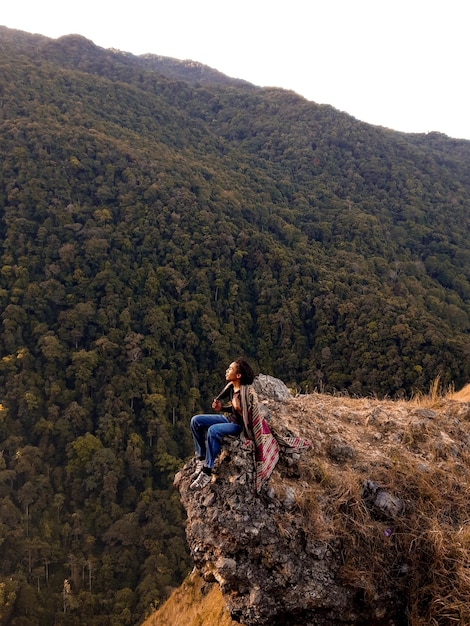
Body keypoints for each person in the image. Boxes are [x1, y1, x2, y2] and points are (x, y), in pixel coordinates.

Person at [189, 357, 256, 490]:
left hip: (238, 426)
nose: (227, 370)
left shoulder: (245, 393)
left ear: (238, 375)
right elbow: (233, 410)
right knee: (195, 421)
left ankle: (207, 471)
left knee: (213, 430)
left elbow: (248, 418)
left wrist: (239, 409)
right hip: (229, 419)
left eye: (230, 369)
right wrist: (222, 409)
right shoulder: (233, 387)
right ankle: (201, 458)